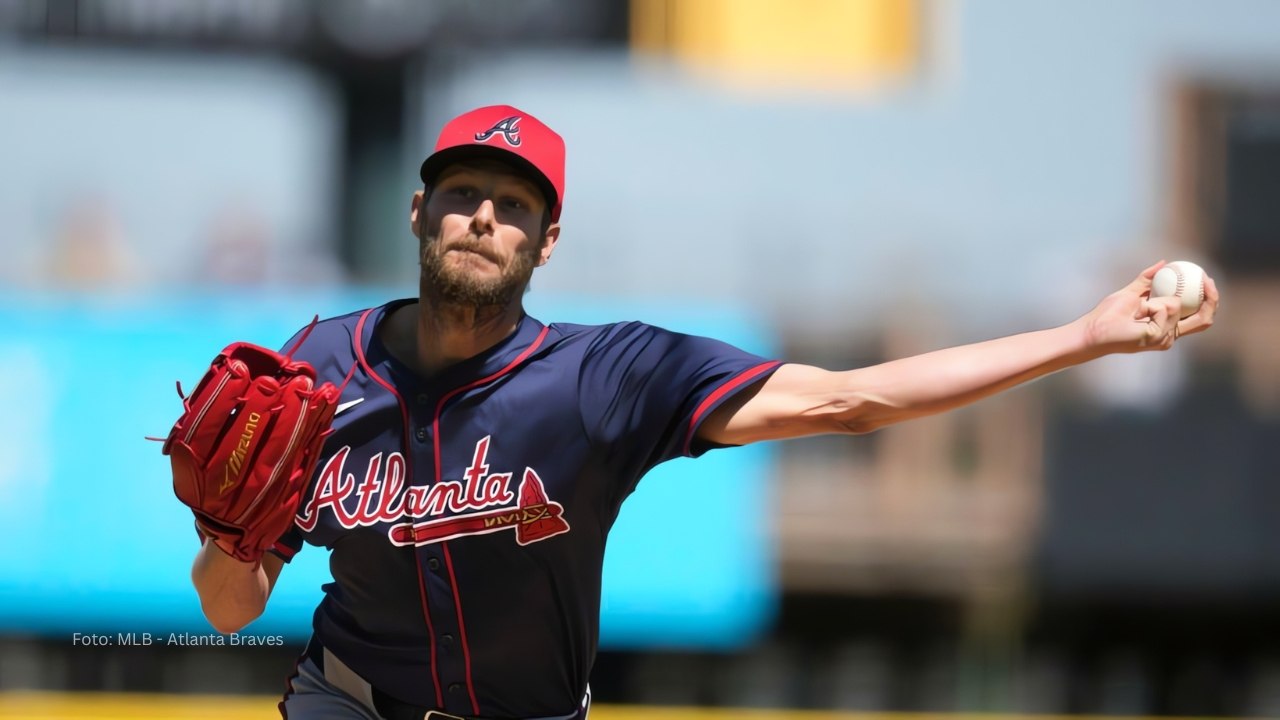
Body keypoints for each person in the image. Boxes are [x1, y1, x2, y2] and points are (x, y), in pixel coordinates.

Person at [187, 104, 1218, 720]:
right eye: (461, 193)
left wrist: (1080, 338)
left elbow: (848, 399)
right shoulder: (315, 370)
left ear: (546, 243)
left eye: (513, 206)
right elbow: (230, 607)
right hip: (347, 702)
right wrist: (230, 541)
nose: (482, 218)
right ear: (419, 212)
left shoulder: (607, 377)